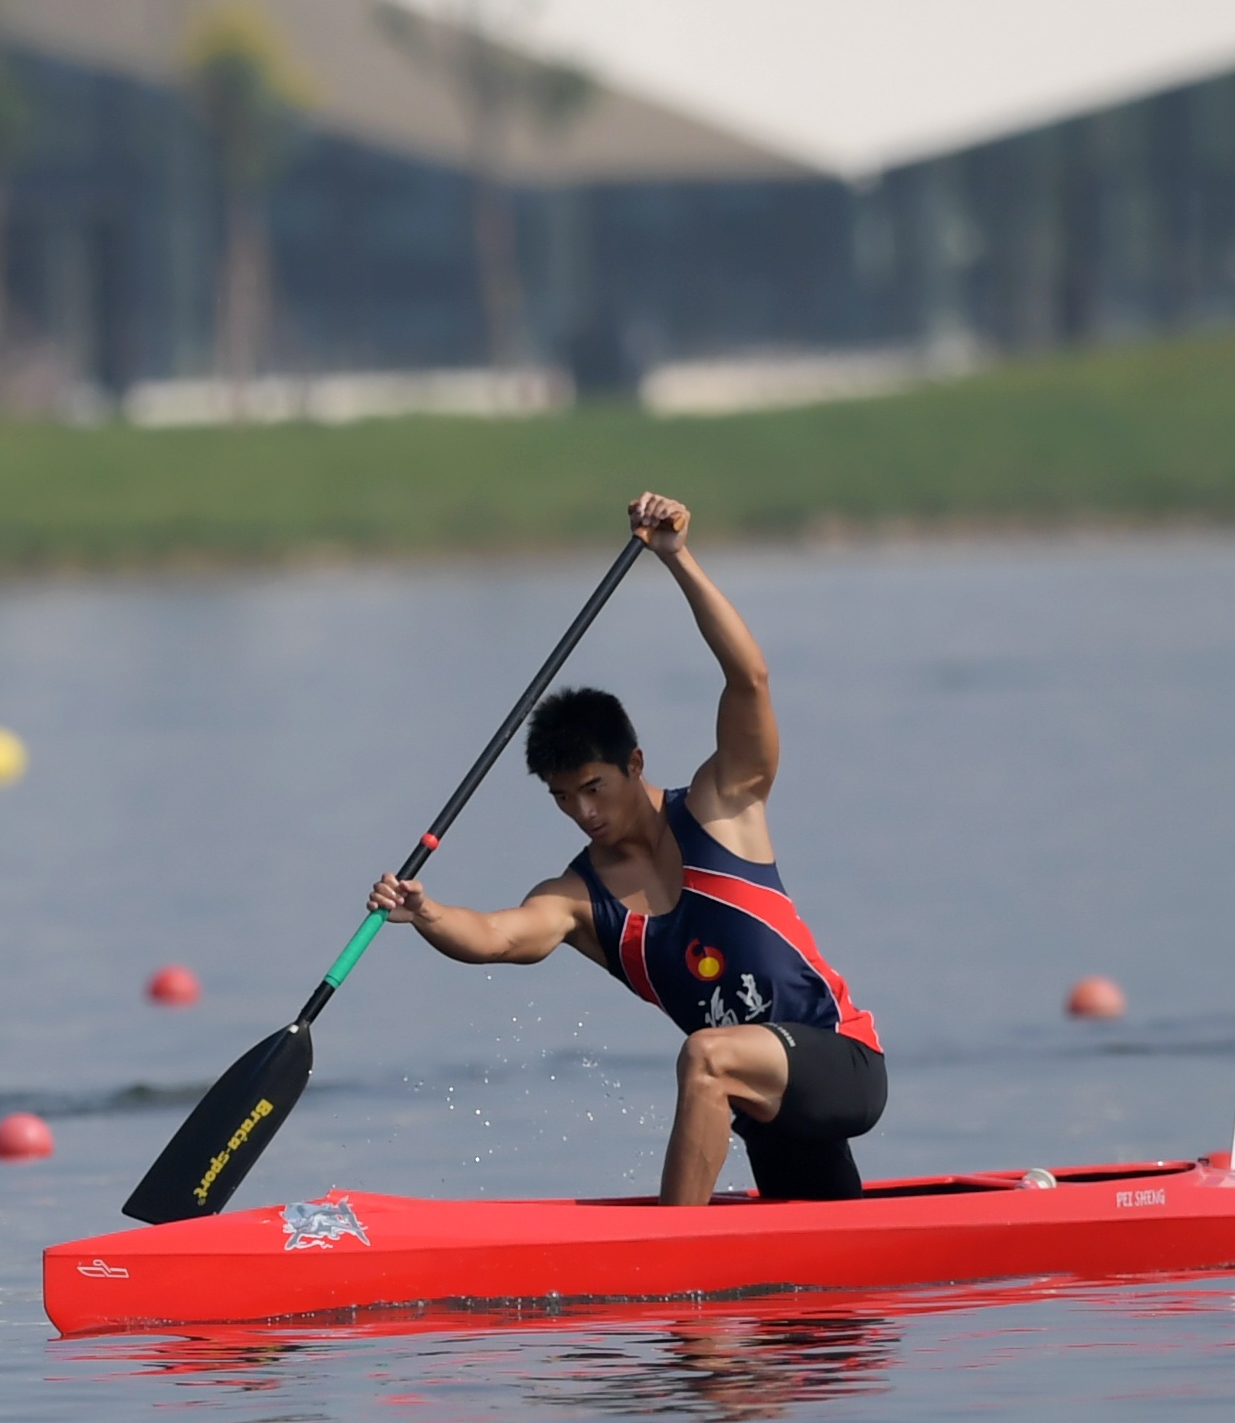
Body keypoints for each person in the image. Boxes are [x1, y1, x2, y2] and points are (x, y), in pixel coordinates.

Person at [366, 493, 884, 1203]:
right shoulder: (579, 899)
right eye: (560, 799)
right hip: (769, 1115)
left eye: (592, 787)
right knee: (818, 1299)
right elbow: (492, 937)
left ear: (634, 763)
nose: (581, 813)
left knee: (704, 1056)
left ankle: (672, 1261)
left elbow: (749, 680)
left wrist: (677, 559)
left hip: (841, 1062)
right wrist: (426, 913)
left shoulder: (720, 808)